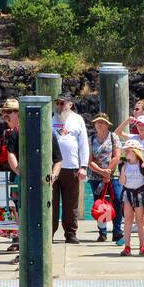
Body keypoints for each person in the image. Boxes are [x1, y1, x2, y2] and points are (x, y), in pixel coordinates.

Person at [51, 94, 90, 243]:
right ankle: (50, 233)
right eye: (58, 103)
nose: (60, 106)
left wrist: (83, 166)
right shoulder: (50, 119)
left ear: (70, 104)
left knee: (71, 204)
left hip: (71, 167)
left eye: (63, 103)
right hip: (53, 167)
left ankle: (70, 233)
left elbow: (83, 144)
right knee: (51, 203)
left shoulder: (77, 119)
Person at [117, 124, 144, 257]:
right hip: (128, 193)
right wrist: (122, 172)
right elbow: (122, 182)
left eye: (128, 150)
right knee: (128, 220)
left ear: (135, 152)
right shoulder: (124, 165)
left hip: (139, 193)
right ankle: (127, 246)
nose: (126, 152)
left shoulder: (142, 164)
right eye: (125, 151)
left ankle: (142, 246)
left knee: (140, 220)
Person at [0, 98, 21, 251]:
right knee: (11, 205)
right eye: (4, 111)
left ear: (17, 113)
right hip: (4, 170)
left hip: (20, 171)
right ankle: (16, 237)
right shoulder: (0, 128)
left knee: (19, 204)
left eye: (9, 111)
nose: (5, 114)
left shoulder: (24, 127)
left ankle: (21, 237)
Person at [88, 113, 124, 244]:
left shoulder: (114, 137)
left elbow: (117, 156)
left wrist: (108, 171)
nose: (100, 124)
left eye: (103, 122)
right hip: (95, 176)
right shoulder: (91, 139)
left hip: (112, 174)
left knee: (118, 200)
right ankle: (102, 232)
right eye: (98, 122)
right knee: (99, 204)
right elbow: (89, 160)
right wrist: (101, 172)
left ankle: (117, 231)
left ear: (108, 125)